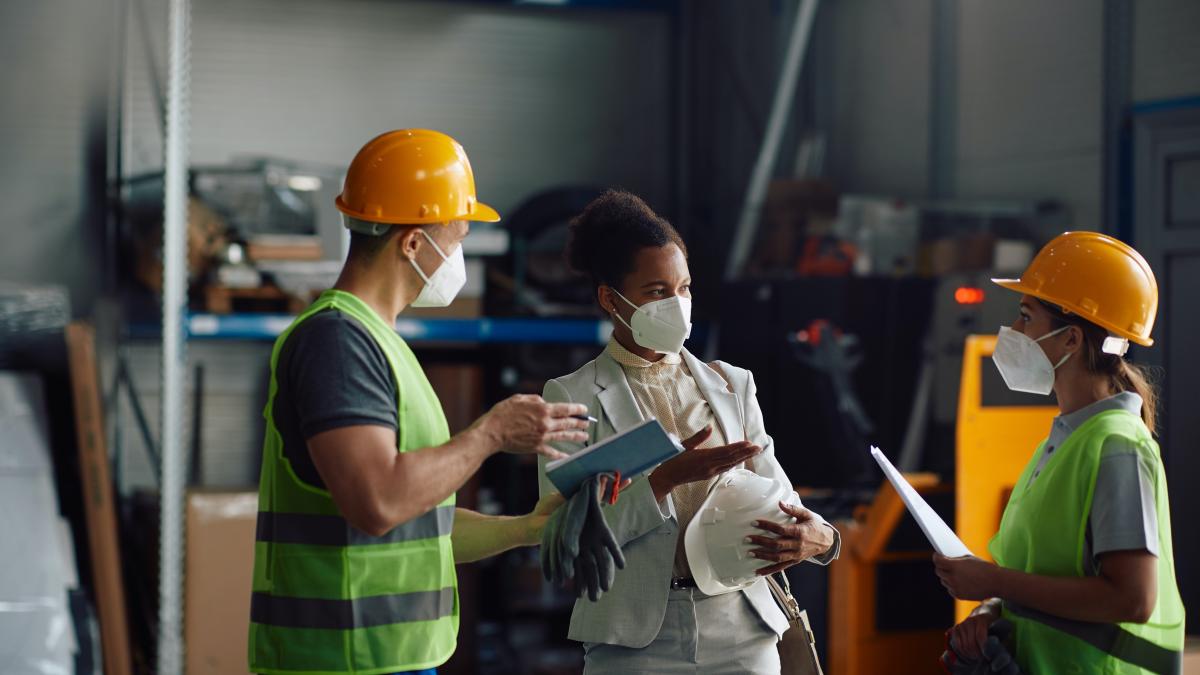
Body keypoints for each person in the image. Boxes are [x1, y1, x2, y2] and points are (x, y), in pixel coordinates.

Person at [248, 129, 592, 675]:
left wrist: (526, 529)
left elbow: (421, 527)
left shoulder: (381, 344)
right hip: (342, 662)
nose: (458, 256)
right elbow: (379, 502)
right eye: (455, 239)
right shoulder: (338, 342)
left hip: (389, 661)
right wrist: (490, 435)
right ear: (412, 243)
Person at [537, 190, 840, 674]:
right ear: (609, 299)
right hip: (632, 638)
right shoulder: (572, 396)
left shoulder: (730, 384)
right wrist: (663, 480)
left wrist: (822, 536)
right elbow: (562, 541)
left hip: (742, 626)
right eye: (657, 292)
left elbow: (781, 495)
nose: (676, 304)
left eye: (684, 288)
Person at [934, 231, 1185, 674]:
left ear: (1071, 340)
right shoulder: (1067, 439)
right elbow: (1046, 574)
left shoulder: (1117, 447)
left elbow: (1133, 598)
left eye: (1026, 317)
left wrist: (991, 581)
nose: (1013, 332)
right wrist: (993, 608)